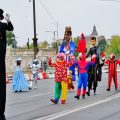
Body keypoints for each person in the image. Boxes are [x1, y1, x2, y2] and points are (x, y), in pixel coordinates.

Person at [0, 8, 14, 120]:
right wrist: (7, 21)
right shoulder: (2, 26)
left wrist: (8, 21)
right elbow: (10, 27)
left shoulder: (2, 26)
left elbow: (10, 27)